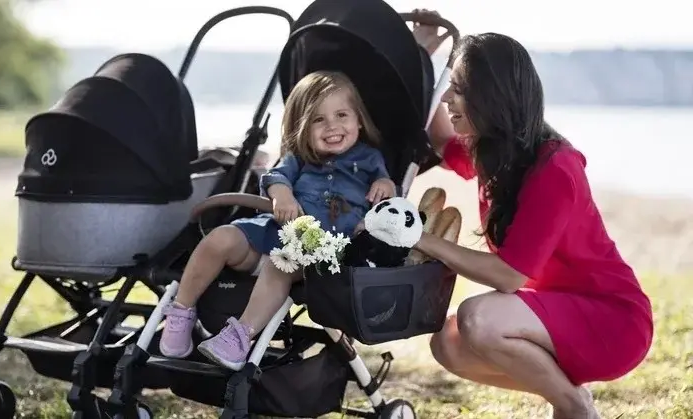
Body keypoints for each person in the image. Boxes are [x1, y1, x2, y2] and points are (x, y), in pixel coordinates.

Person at [407, 9, 654, 419]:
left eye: (458, 90)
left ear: (491, 95)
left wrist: (421, 239)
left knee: (477, 318)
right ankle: (568, 394)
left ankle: (574, 405)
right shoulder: (493, 153)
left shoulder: (555, 167)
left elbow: (508, 276)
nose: (448, 99)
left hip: (613, 321)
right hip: (557, 312)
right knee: (446, 342)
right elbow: (437, 135)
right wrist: (424, 52)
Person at [158, 70, 397, 370]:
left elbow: (389, 194)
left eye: (341, 115)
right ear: (302, 128)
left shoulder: (370, 160)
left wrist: (386, 186)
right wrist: (282, 196)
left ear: (359, 120)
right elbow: (277, 177)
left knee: (281, 262)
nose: (332, 126)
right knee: (219, 238)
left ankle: (239, 337)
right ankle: (180, 312)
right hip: (272, 234)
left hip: (319, 252)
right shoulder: (300, 158)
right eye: (318, 120)